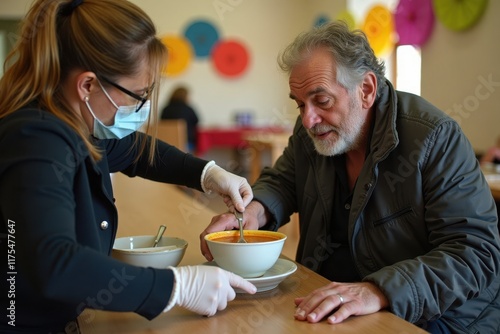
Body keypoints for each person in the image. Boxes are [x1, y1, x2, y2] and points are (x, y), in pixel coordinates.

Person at [200, 22, 500, 333]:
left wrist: (380, 290)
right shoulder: (311, 133)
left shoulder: (434, 138)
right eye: (300, 104)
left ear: (367, 90)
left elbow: (475, 254)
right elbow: (284, 181)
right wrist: (253, 211)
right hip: (331, 301)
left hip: (437, 318)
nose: (308, 119)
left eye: (322, 101)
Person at [0, 0, 256, 332]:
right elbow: (56, 264)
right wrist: (174, 287)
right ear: (88, 85)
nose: (142, 107)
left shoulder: (71, 123)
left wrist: (208, 174)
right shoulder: (37, 140)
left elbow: (135, 151)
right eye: (138, 94)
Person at [161, 86, 199, 152]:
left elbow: (161, 124)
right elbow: (197, 122)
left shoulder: (165, 109)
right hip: (186, 143)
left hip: (166, 144)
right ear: (185, 97)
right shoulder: (188, 109)